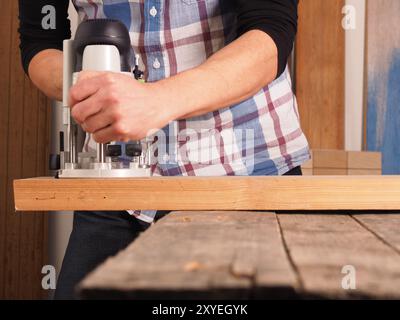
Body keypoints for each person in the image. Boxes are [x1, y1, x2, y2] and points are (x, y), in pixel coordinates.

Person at [19, 0, 310, 299]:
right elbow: (39, 41)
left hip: (243, 174)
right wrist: (85, 87)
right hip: (115, 181)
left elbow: (270, 32)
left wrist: (157, 101)